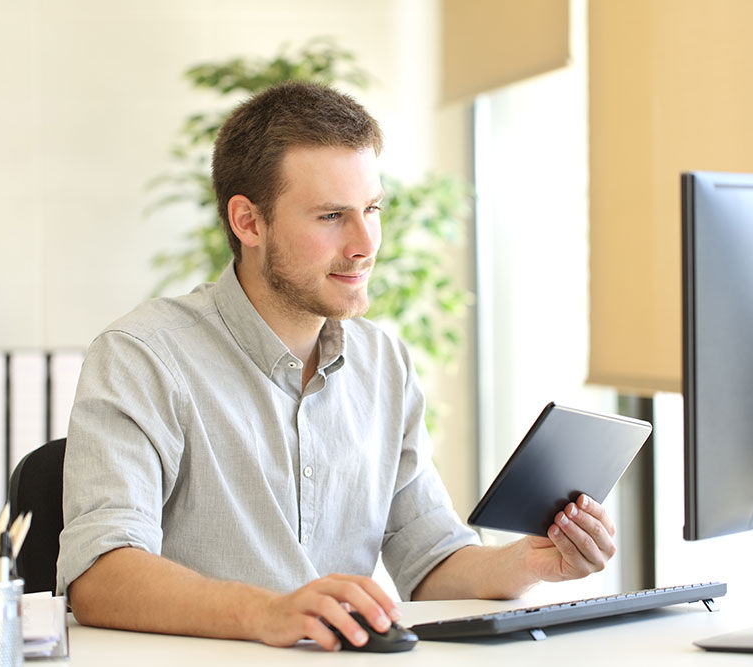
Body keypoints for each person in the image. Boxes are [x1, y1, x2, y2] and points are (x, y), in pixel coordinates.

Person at [56, 81, 617, 652]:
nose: (364, 243)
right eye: (331, 216)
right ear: (248, 222)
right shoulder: (143, 354)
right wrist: (268, 612)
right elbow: (100, 576)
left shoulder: (385, 363)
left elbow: (428, 560)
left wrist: (529, 562)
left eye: (371, 209)